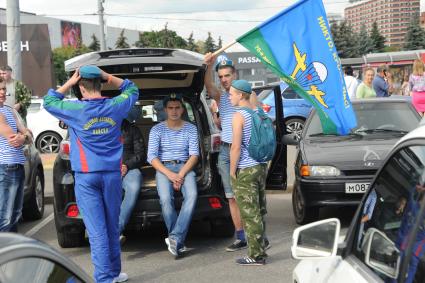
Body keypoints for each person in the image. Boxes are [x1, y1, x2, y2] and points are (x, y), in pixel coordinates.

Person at [43, 65, 139, 283]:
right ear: (100, 83)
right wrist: (108, 76)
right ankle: (114, 272)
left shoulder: (75, 109)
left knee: (97, 231)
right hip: (112, 176)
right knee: (112, 224)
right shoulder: (115, 105)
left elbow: (49, 101)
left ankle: (106, 278)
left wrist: (69, 82)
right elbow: (132, 89)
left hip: (87, 177)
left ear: (81, 87)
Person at [204, 52, 262, 252]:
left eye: (227, 75)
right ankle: (241, 236)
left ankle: (258, 235)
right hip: (226, 149)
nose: (223, 80)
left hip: (243, 149)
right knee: (231, 196)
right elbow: (209, 87)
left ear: (235, 74)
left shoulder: (247, 94)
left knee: (248, 195)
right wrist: (209, 66)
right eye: (220, 77)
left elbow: (257, 122)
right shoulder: (221, 96)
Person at [147, 93, 199, 258]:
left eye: (177, 107)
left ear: (182, 109)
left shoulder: (191, 128)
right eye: (171, 108)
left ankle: (175, 238)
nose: (174, 111)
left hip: (185, 166)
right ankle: (178, 241)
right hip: (164, 168)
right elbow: (152, 157)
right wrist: (171, 175)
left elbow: (194, 155)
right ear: (165, 110)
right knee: (165, 199)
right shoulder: (156, 129)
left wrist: (181, 175)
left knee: (192, 195)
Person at [228, 80, 268, 266]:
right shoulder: (259, 112)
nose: (229, 96)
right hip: (260, 166)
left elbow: (235, 147)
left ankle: (256, 255)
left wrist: (232, 170)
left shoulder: (239, 116)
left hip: (245, 168)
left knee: (249, 214)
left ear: (241, 95)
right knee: (259, 210)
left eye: (231, 93)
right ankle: (262, 244)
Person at [0, 77, 32, 232]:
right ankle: (6, 252)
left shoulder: (9, 109)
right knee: (6, 216)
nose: (2, 93)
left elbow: (28, 135)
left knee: (15, 213)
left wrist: (24, 136)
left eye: (4, 89)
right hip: (6, 167)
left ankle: (12, 251)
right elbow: (15, 139)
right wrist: (24, 136)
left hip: (17, 165)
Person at [118, 106, 146, 244]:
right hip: (108, 170)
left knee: (133, 188)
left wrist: (126, 165)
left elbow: (141, 155)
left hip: (131, 168)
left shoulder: (132, 130)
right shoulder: (102, 129)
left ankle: (116, 230)